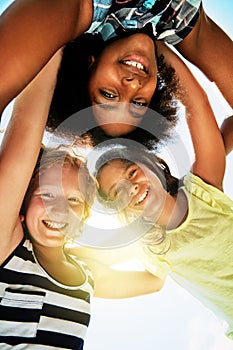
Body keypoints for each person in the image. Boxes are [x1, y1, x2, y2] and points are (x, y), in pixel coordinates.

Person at [0, 49, 166, 348]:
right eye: (47, 194)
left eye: (75, 202)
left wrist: (127, 202)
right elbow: (25, 127)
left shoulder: (86, 276)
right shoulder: (7, 246)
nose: (59, 208)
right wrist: (55, 44)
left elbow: (155, 278)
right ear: (20, 207)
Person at [92, 52, 233, 339]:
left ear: (155, 164)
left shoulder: (201, 189)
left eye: (132, 173)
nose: (130, 188)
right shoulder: (150, 251)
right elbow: (136, 283)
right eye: (117, 192)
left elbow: (195, 101)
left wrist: (156, 49)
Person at [0, 0, 232, 132]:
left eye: (109, 94)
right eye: (139, 103)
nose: (131, 85)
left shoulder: (81, 8)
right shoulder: (179, 23)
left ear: (87, 68)